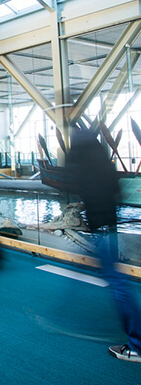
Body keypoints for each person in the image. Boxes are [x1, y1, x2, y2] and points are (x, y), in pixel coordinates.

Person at [65, 127, 141, 363]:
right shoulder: (103, 161)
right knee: (116, 281)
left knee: (119, 286)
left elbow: (74, 185)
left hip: (102, 230)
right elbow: (116, 190)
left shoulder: (80, 161)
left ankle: (137, 345)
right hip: (111, 227)